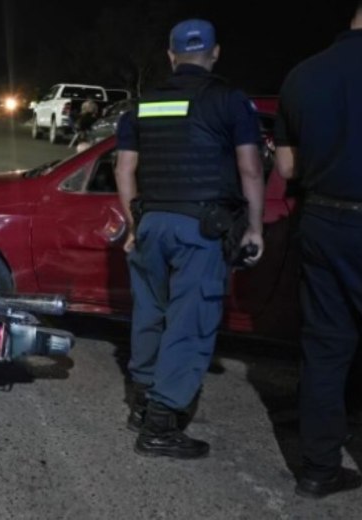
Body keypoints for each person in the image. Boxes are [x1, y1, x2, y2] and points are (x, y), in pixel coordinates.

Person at [113, 19, 265, 459]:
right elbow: (251, 169)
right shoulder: (229, 103)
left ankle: (141, 404)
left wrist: (134, 224)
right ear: (215, 54)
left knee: (150, 313)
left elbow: (125, 171)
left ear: (170, 56)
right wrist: (254, 227)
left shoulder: (142, 106)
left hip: (152, 224)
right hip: (201, 228)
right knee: (190, 320)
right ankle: (160, 425)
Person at [273, 1, 362, 499]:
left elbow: (286, 168)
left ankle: (318, 471)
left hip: (325, 220)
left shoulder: (304, 75)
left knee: (326, 350)